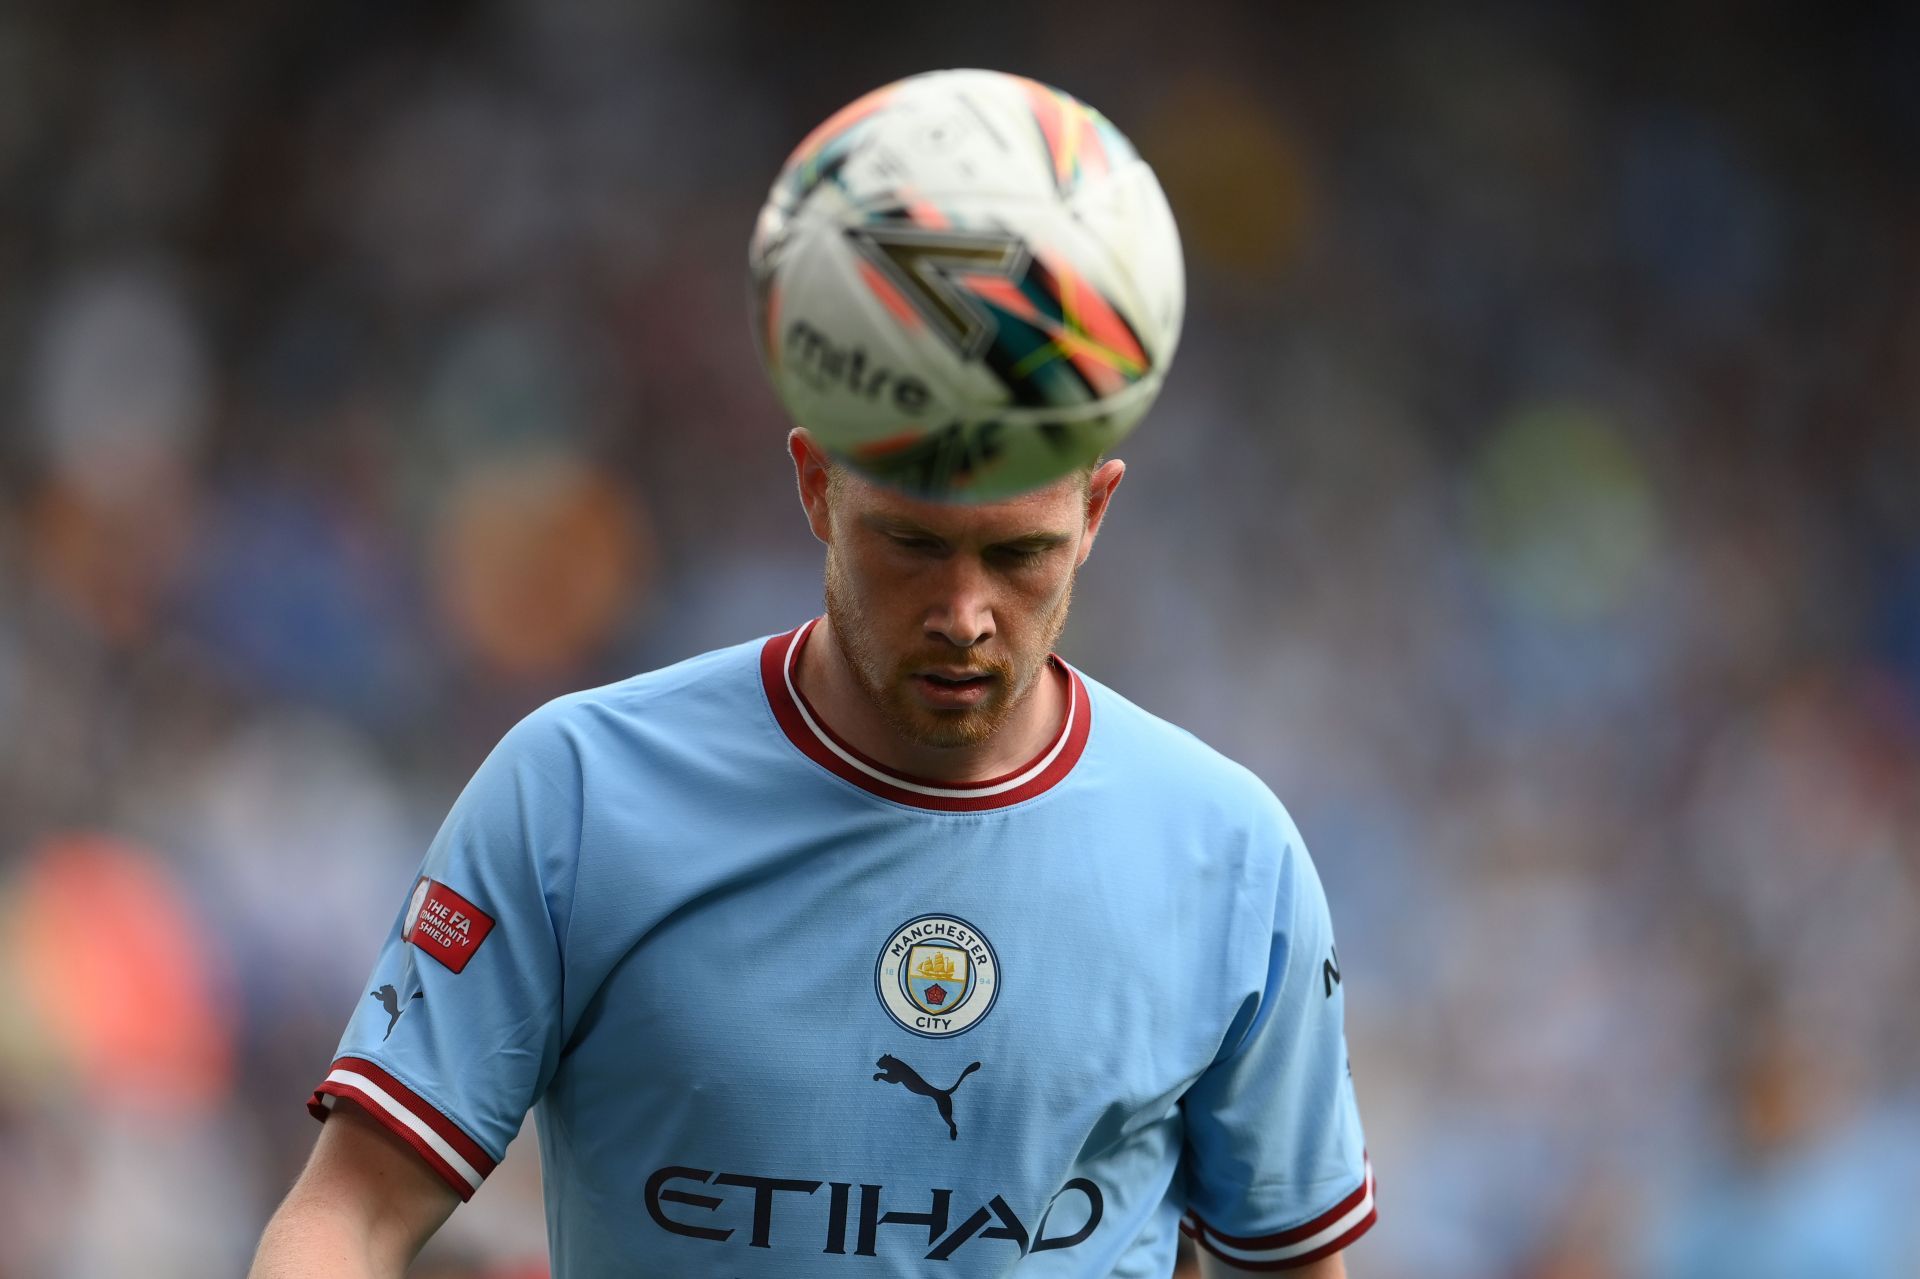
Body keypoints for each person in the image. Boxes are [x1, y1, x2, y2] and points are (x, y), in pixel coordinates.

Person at [249, 433, 1377, 1277]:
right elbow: (349, 1211)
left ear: (1096, 508)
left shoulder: (1229, 855)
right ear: (816, 483)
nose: (966, 612)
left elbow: (1290, 1265)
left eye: (1020, 554)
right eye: (913, 544)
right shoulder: (579, 792)